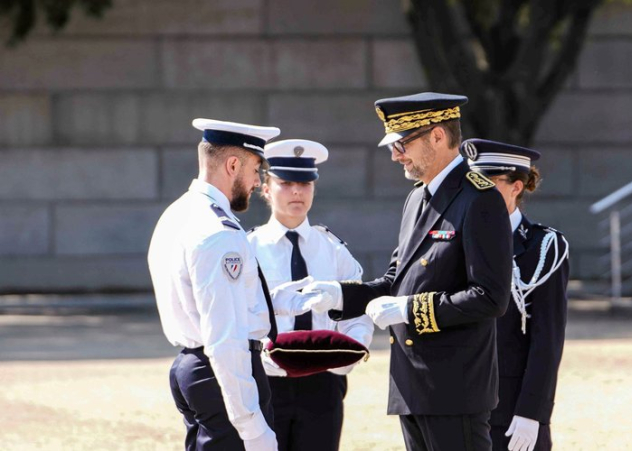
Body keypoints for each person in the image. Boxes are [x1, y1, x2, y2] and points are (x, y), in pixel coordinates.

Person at [305, 92, 513, 450]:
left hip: (456, 387)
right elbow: (395, 281)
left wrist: (409, 310)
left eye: (403, 143)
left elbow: (490, 297)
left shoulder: (479, 198)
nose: (394, 154)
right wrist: (339, 294)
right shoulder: (417, 198)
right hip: (412, 383)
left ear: (437, 136)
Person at [148, 119, 328, 451]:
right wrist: (252, 424)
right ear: (233, 164)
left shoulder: (180, 213)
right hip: (221, 375)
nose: (257, 181)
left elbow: (202, 301)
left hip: (195, 368)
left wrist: (268, 303)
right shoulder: (218, 231)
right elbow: (224, 338)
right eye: (256, 170)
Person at [247, 139, 374, 451]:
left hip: (323, 379)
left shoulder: (332, 249)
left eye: (304, 183)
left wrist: (354, 348)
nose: (296, 192)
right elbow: (235, 313)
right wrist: (254, 355)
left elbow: (358, 306)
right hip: (266, 380)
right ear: (266, 189)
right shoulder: (248, 248)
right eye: (286, 183)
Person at [463, 139, 569, 451]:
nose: (477, 194)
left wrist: (532, 412)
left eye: (488, 184)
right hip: (457, 402)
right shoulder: (455, 239)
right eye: (472, 184)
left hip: (509, 406)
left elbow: (547, 339)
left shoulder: (543, 247)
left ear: (516, 187)